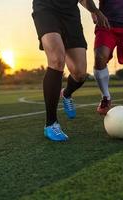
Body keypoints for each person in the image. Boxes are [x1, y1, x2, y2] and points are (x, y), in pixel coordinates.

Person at [32, 0, 109, 141]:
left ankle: (66, 94)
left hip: (70, 15)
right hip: (46, 8)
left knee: (80, 73)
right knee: (56, 60)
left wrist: (95, 11)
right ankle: (51, 124)